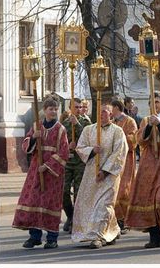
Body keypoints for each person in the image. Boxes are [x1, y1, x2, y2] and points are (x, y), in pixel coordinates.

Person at [126, 91, 160, 248]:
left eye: (157, 102)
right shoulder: (145, 120)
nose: (155, 105)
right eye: (152, 102)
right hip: (148, 164)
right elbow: (140, 141)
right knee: (148, 199)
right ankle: (154, 236)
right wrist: (150, 126)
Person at [13, 96, 69, 249]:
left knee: (50, 203)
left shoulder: (60, 129)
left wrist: (48, 165)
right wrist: (33, 138)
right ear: (44, 110)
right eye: (51, 109)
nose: (54, 112)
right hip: (36, 169)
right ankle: (35, 236)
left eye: (56, 109)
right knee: (34, 200)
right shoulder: (37, 125)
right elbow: (26, 145)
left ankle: (52, 238)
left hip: (52, 173)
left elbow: (64, 152)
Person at [71, 104, 128, 248]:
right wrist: (92, 150)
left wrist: (105, 171)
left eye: (104, 112)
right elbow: (80, 147)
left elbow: (119, 153)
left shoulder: (117, 131)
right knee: (88, 204)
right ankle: (112, 229)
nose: (101, 114)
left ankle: (99, 236)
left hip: (109, 175)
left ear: (111, 114)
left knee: (104, 205)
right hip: (91, 173)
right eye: (99, 111)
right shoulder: (88, 130)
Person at [61, 98, 91, 233]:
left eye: (80, 107)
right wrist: (67, 146)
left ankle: (77, 220)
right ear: (70, 108)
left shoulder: (85, 122)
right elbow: (59, 142)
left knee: (78, 192)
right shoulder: (64, 123)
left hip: (80, 161)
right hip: (67, 161)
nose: (78, 109)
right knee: (64, 191)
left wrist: (77, 124)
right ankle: (70, 215)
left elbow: (88, 137)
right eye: (76, 107)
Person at [110, 100, 138, 234]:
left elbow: (134, 140)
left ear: (116, 108)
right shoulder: (111, 122)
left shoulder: (130, 121)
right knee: (113, 190)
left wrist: (120, 135)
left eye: (111, 108)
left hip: (126, 160)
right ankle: (117, 220)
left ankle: (125, 220)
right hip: (112, 161)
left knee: (124, 190)